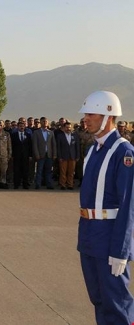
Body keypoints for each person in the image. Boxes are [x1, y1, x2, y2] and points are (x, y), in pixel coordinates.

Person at [77, 91, 134, 324]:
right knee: (99, 300)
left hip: (110, 237)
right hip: (89, 236)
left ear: (108, 115)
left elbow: (129, 205)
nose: (85, 119)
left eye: (91, 114)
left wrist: (121, 250)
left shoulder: (124, 152)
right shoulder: (93, 150)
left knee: (117, 303)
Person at [32, 117, 57, 189]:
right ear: (40, 122)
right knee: (39, 170)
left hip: (49, 154)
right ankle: (38, 184)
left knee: (49, 170)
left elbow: (53, 144)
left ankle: (49, 184)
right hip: (40, 155)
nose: (45, 122)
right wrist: (37, 154)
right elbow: (35, 145)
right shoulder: (36, 132)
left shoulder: (51, 132)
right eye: (43, 121)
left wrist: (54, 154)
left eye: (46, 121)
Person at [56, 122, 80, 190]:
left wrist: (77, 156)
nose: (68, 129)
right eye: (66, 127)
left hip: (72, 156)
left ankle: (70, 184)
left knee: (71, 171)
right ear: (63, 128)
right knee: (63, 171)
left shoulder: (75, 135)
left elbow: (77, 146)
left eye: (69, 127)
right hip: (63, 156)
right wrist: (59, 157)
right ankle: (63, 184)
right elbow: (58, 147)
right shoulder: (60, 136)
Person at [11, 121, 32, 189]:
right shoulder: (14, 135)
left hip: (25, 156)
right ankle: (16, 184)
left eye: (23, 126)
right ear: (18, 127)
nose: (21, 127)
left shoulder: (28, 135)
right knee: (16, 170)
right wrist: (12, 155)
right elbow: (12, 146)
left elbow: (30, 146)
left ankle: (25, 185)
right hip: (17, 156)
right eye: (20, 126)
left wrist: (30, 156)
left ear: (25, 126)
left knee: (25, 170)